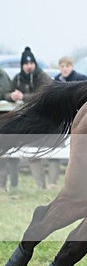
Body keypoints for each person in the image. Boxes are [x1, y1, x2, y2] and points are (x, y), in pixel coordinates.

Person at [5, 47, 56, 189]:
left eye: (31, 63)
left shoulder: (43, 77)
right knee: (32, 154)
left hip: (47, 120)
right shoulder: (18, 78)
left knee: (54, 153)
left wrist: (24, 97)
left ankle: (53, 184)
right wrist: (11, 96)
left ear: (34, 64)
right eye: (26, 64)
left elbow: (45, 94)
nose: (28, 66)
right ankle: (41, 187)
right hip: (30, 122)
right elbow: (7, 92)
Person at [0, 66, 17, 191]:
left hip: (3, 119)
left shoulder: (2, 75)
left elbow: (6, 93)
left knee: (5, 156)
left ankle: (4, 185)